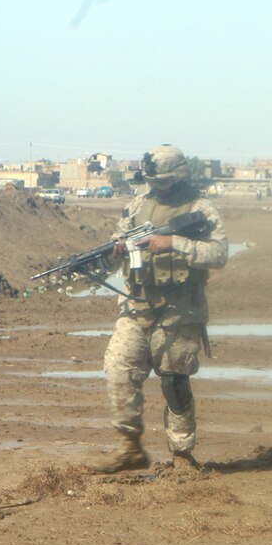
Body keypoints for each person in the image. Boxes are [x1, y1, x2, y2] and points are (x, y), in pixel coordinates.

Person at [90, 144, 228, 473]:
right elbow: (120, 236)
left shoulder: (200, 209)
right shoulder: (138, 205)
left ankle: (182, 454)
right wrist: (117, 249)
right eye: (154, 180)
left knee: (174, 379)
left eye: (164, 181)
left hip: (181, 307)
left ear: (179, 176)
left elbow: (219, 253)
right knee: (120, 369)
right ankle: (129, 447)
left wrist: (174, 243)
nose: (158, 187)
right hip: (136, 303)